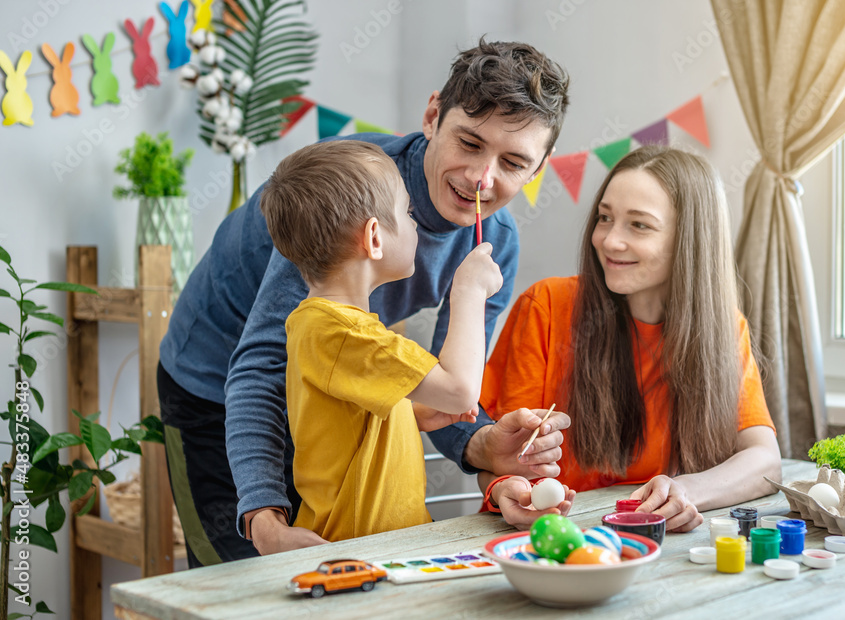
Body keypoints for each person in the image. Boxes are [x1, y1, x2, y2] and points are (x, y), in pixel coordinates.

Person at [157, 38, 572, 566]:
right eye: (469, 143)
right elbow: (261, 367)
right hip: (214, 381)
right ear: (432, 115)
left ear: (539, 167)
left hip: (329, 390)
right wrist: (263, 518)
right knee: (234, 584)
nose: (480, 179)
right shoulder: (351, 199)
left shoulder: (495, 244)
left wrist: (486, 448)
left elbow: (450, 388)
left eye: (513, 161)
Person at [478, 146, 783, 531]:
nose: (609, 241)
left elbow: (764, 459)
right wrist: (507, 489)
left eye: (638, 225)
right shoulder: (546, 307)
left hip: (660, 548)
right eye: (605, 218)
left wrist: (686, 489)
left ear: (690, 240)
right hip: (551, 540)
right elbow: (498, 464)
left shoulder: (725, 328)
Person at [259, 140, 502, 542]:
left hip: (385, 547)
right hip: (357, 553)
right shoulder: (343, 332)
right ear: (374, 237)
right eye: (407, 213)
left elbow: (350, 423)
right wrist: (468, 291)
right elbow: (461, 391)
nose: (414, 224)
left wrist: (416, 415)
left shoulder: (330, 327)